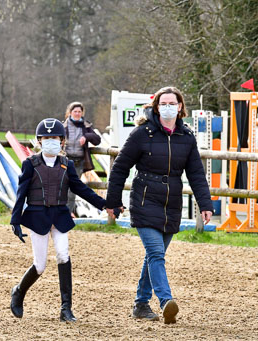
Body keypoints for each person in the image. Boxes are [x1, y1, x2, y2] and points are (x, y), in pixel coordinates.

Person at [105, 86, 214, 324]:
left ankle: (141, 304)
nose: (167, 107)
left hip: (171, 203)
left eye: (172, 103)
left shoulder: (186, 138)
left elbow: (196, 173)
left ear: (180, 107)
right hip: (144, 200)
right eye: (163, 103)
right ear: (156, 107)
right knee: (155, 253)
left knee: (154, 256)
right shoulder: (142, 134)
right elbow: (121, 167)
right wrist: (113, 200)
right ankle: (166, 301)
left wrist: (205, 204)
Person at [9, 118, 106, 322]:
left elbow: (81, 189)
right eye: (46, 138)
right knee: (40, 265)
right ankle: (18, 291)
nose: (50, 141)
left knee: (63, 255)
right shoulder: (30, 164)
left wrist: (104, 204)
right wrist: (15, 220)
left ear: (62, 141)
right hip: (37, 217)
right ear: (39, 141)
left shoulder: (66, 164)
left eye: (54, 138)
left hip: (60, 216)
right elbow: (21, 193)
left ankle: (66, 309)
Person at [63, 102, 101, 216]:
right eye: (75, 111)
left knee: (72, 190)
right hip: (65, 160)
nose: (77, 113)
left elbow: (97, 140)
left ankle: (67, 214)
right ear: (70, 112)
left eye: (79, 112)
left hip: (79, 162)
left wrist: (86, 136)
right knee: (63, 187)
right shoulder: (63, 126)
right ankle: (60, 213)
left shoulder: (86, 126)